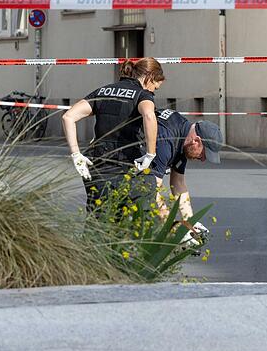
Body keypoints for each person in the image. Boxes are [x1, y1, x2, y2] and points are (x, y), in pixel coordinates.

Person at [62, 57, 165, 210]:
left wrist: (76, 154)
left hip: (99, 167)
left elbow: (68, 117)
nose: (153, 91)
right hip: (128, 166)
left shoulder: (103, 91)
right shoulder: (142, 95)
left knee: (99, 223)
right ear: (150, 77)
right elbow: (149, 116)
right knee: (141, 220)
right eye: (155, 87)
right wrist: (150, 154)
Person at [148, 109, 223, 244]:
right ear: (197, 141)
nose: (202, 160)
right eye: (203, 154)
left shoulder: (184, 133)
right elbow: (151, 190)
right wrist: (174, 228)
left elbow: (178, 182)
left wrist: (191, 222)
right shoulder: (165, 141)